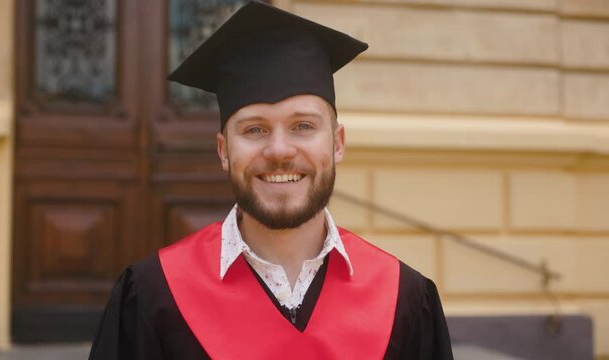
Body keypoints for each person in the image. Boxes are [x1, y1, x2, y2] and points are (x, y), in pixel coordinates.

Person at [89, 1, 453, 359]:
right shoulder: (155, 296)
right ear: (223, 150)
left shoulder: (404, 301)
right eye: (255, 129)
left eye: (303, 126)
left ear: (337, 143)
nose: (279, 150)